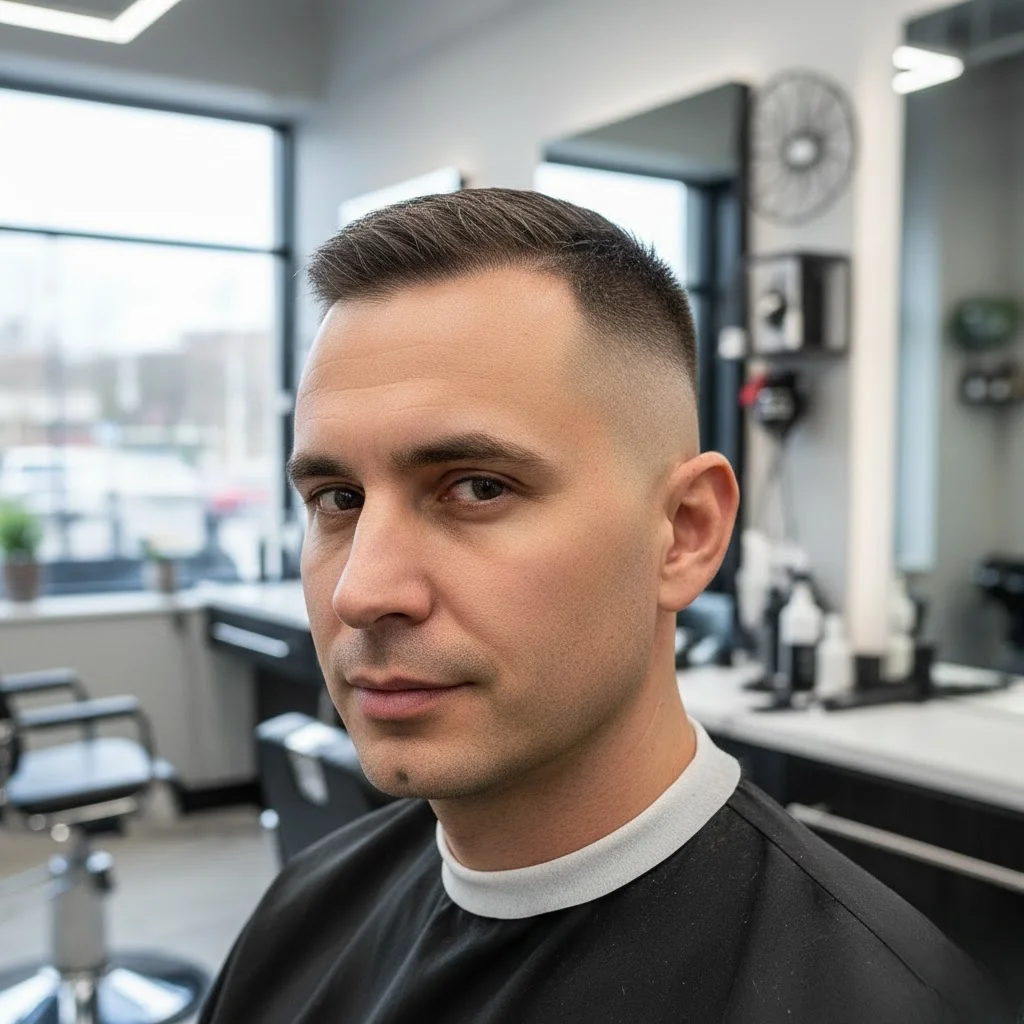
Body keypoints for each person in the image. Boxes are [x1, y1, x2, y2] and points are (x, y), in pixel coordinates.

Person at [199, 188, 1007, 1024]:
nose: (360, 592)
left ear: (685, 533)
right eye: (337, 498)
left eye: (477, 488)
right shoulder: (297, 916)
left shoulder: (882, 1004)